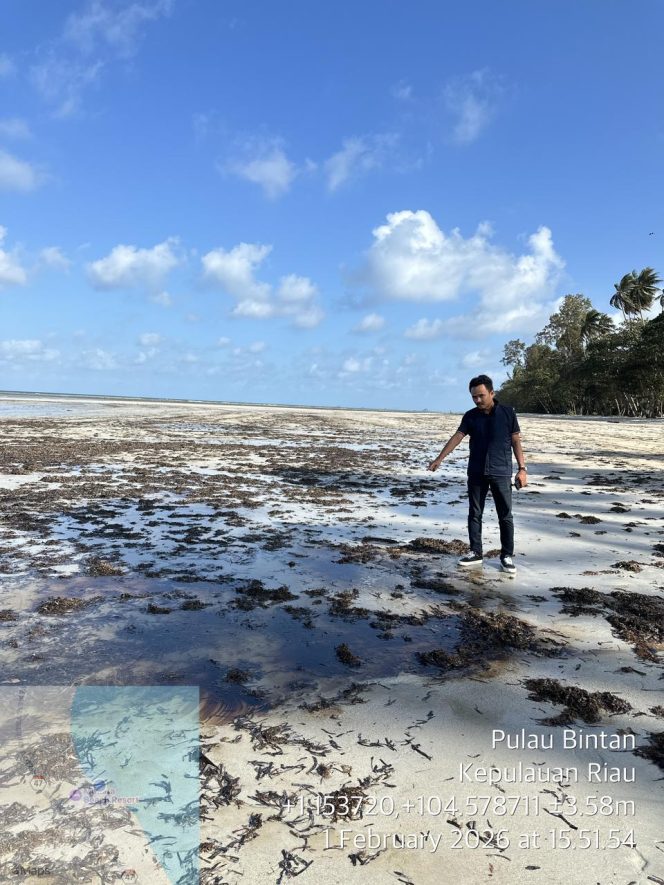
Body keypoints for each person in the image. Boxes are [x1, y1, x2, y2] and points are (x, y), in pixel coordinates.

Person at [427, 374, 527, 574]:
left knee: (505, 516)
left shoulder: (508, 413)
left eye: (481, 395)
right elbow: (458, 436)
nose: (478, 400)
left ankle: (506, 555)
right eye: (474, 397)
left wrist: (522, 469)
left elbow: (516, 441)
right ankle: (475, 552)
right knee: (475, 513)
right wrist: (439, 459)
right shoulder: (470, 416)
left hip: (501, 471)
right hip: (476, 472)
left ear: (492, 393)